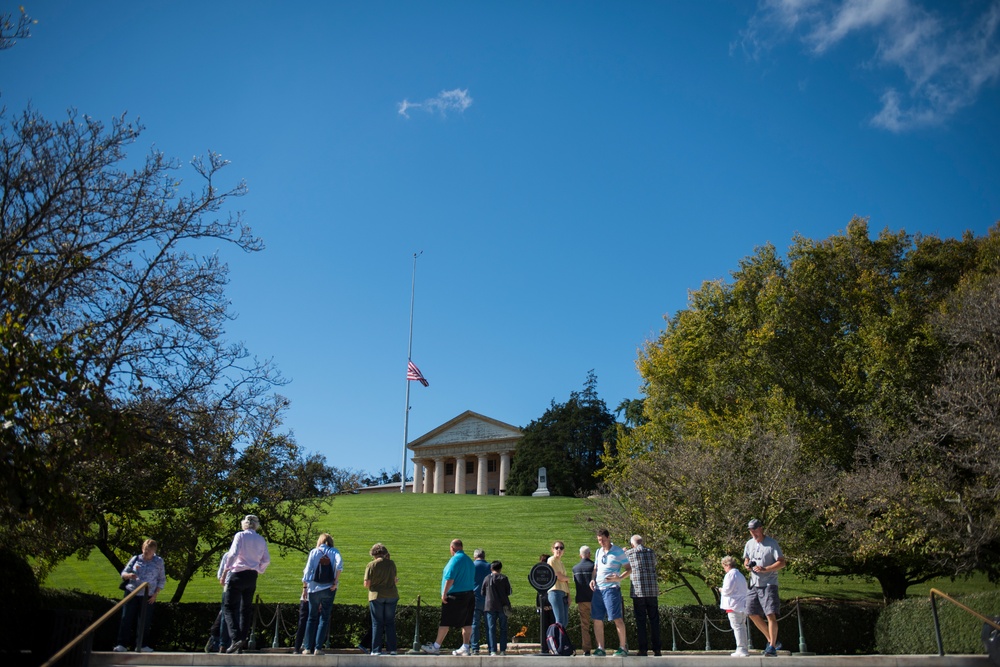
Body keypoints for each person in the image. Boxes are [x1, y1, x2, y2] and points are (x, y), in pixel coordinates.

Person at [220, 514, 270, 654]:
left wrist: (225, 571)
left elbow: (233, 553)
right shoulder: (261, 539)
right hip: (252, 576)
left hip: (238, 574)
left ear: (245, 524)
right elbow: (266, 559)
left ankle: (236, 638)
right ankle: (241, 641)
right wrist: (259, 569)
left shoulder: (240, 536)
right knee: (246, 609)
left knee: (229, 607)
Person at [421, 539, 476, 656]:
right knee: (467, 622)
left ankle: (436, 646)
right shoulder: (469, 560)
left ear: (452, 548)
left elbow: (450, 578)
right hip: (470, 594)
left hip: (455, 595)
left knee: (445, 622)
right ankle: (466, 646)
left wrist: (444, 593)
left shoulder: (455, 560)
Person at [113, 539, 166, 652]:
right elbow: (123, 573)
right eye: (145, 550)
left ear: (154, 551)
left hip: (148, 595)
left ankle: (141, 645)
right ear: (142, 548)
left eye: (149, 551)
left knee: (144, 621)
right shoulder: (136, 558)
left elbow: (161, 579)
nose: (147, 554)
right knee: (126, 618)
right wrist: (129, 575)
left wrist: (155, 594)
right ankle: (122, 644)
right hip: (132, 592)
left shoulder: (158, 561)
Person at [743, 518, 786, 657]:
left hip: (768, 584)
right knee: (751, 613)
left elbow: (782, 563)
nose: (753, 532)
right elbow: (746, 560)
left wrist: (766, 569)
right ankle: (772, 640)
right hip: (754, 584)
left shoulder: (771, 544)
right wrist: (748, 565)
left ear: (761, 528)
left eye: (755, 529)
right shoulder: (749, 544)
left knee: (770, 614)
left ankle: (772, 647)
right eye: (751, 530)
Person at [589, 528, 631, 657]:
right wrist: (592, 579)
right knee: (597, 618)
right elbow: (595, 569)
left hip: (611, 589)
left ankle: (623, 647)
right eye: (599, 540)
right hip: (598, 590)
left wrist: (620, 578)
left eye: (603, 540)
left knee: (616, 618)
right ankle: (600, 647)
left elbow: (629, 569)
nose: (601, 543)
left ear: (609, 537)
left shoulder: (618, 552)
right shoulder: (598, 551)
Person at [301, 532, 343, 655]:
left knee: (311, 617)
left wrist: (305, 587)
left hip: (314, 588)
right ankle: (318, 648)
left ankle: (308, 647)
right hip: (329, 588)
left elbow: (308, 570)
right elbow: (339, 566)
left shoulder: (314, 552)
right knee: (324, 618)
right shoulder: (334, 551)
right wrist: (335, 582)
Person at [625, 534, 662, 656]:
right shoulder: (651, 552)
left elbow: (623, 563)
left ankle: (643, 649)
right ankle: (657, 649)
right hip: (652, 591)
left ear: (632, 544)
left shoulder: (630, 553)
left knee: (641, 621)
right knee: (654, 620)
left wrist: (624, 551)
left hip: (638, 591)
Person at [364, 542, 399, 656]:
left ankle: (376, 650)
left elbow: (366, 583)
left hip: (376, 595)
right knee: (390, 623)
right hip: (391, 595)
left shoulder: (371, 565)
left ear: (373, 554)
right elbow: (394, 580)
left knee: (377, 623)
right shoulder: (391, 564)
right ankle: (392, 649)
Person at [720, 555, 750, 657]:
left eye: (724, 566)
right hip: (742, 604)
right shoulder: (740, 575)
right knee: (741, 626)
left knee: (737, 626)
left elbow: (727, 590)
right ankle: (743, 648)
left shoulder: (730, 575)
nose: (724, 569)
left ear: (727, 565)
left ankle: (741, 648)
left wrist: (721, 590)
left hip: (734, 605)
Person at [481, 560, 512, 656]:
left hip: (490, 607)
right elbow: (509, 592)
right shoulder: (504, 578)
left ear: (491, 568)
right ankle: (503, 650)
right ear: (500, 568)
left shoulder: (487, 578)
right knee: (503, 628)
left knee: (491, 629)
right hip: (503, 606)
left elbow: (482, 593)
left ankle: (492, 650)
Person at [205, 554, 232, 653]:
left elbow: (220, 575)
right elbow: (220, 575)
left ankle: (223, 643)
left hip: (232, 588)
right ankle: (220, 643)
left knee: (227, 614)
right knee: (226, 614)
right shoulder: (228, 555)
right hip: (229, 588)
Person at [572, 545, 596, 656]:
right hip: (594, 599)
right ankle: (600, 646)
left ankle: (586, 648)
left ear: (580, 555)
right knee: (597, 623)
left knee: (584, 625)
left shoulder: (575, 568)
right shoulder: (593, 566)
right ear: (589, 554)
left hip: (581, 599)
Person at [546, 541, 571, 629]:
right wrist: (568, 578)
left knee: (565, 621)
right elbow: (560, 577)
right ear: (553, 549)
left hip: (563, 593)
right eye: (556, 548)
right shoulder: (551, 560)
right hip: (555, 591)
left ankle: (561, 640)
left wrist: (569, 596)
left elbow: (565, 580)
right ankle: (557, 641)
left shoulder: (561, 563)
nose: (559, 549)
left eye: (561, 548)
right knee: (559, 621)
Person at [471, 548, 491, 654]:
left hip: (474, 598)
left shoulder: (472, 565)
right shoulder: (489, 566)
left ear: (475, 556)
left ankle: (475, 648)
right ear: (484, 556)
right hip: (487, 598)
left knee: (475, 623)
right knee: (489, 624)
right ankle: (490, 647)